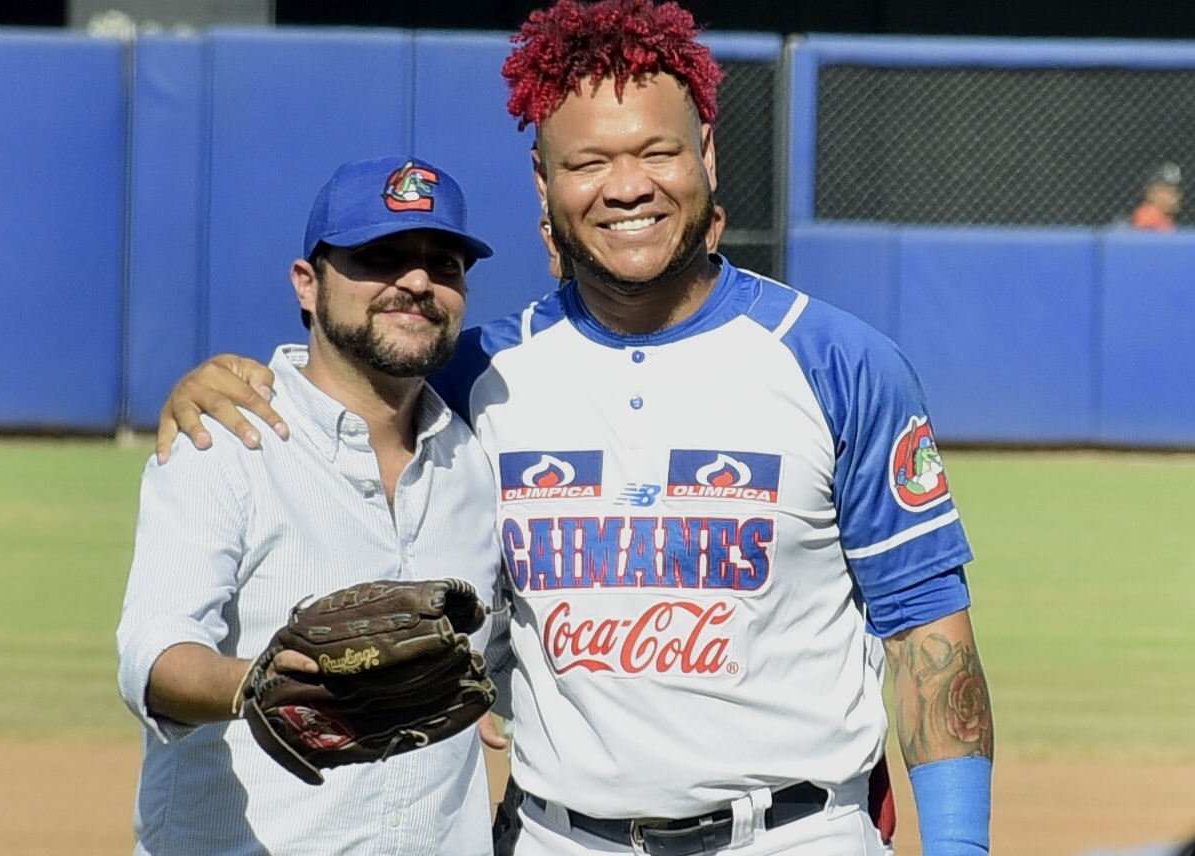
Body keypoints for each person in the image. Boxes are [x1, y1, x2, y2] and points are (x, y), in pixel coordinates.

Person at [156, 1, 995, 854]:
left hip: (796, 832)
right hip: (560, 838)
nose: (626, 186)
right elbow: (339, 390)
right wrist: (216, 383)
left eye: (657, 151)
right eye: (588, 161)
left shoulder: (839, 364)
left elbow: (930, 634)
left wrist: (960, 848)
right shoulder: (473, 372)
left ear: (706, 153)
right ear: (544, 183)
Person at [116, 155, 505, 856]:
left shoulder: (477, 463)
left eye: (443, 264)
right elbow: (152, 656)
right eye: (381, 257)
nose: (416, 282)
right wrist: (254, 683)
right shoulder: (226, 439)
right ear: (308, 283)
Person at [1131, 162, 1182, 231]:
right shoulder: (1149, 216)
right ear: (1151, 193)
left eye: (1176, 191)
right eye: (1167, 191)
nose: (1174, 196)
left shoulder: (1167, 218)